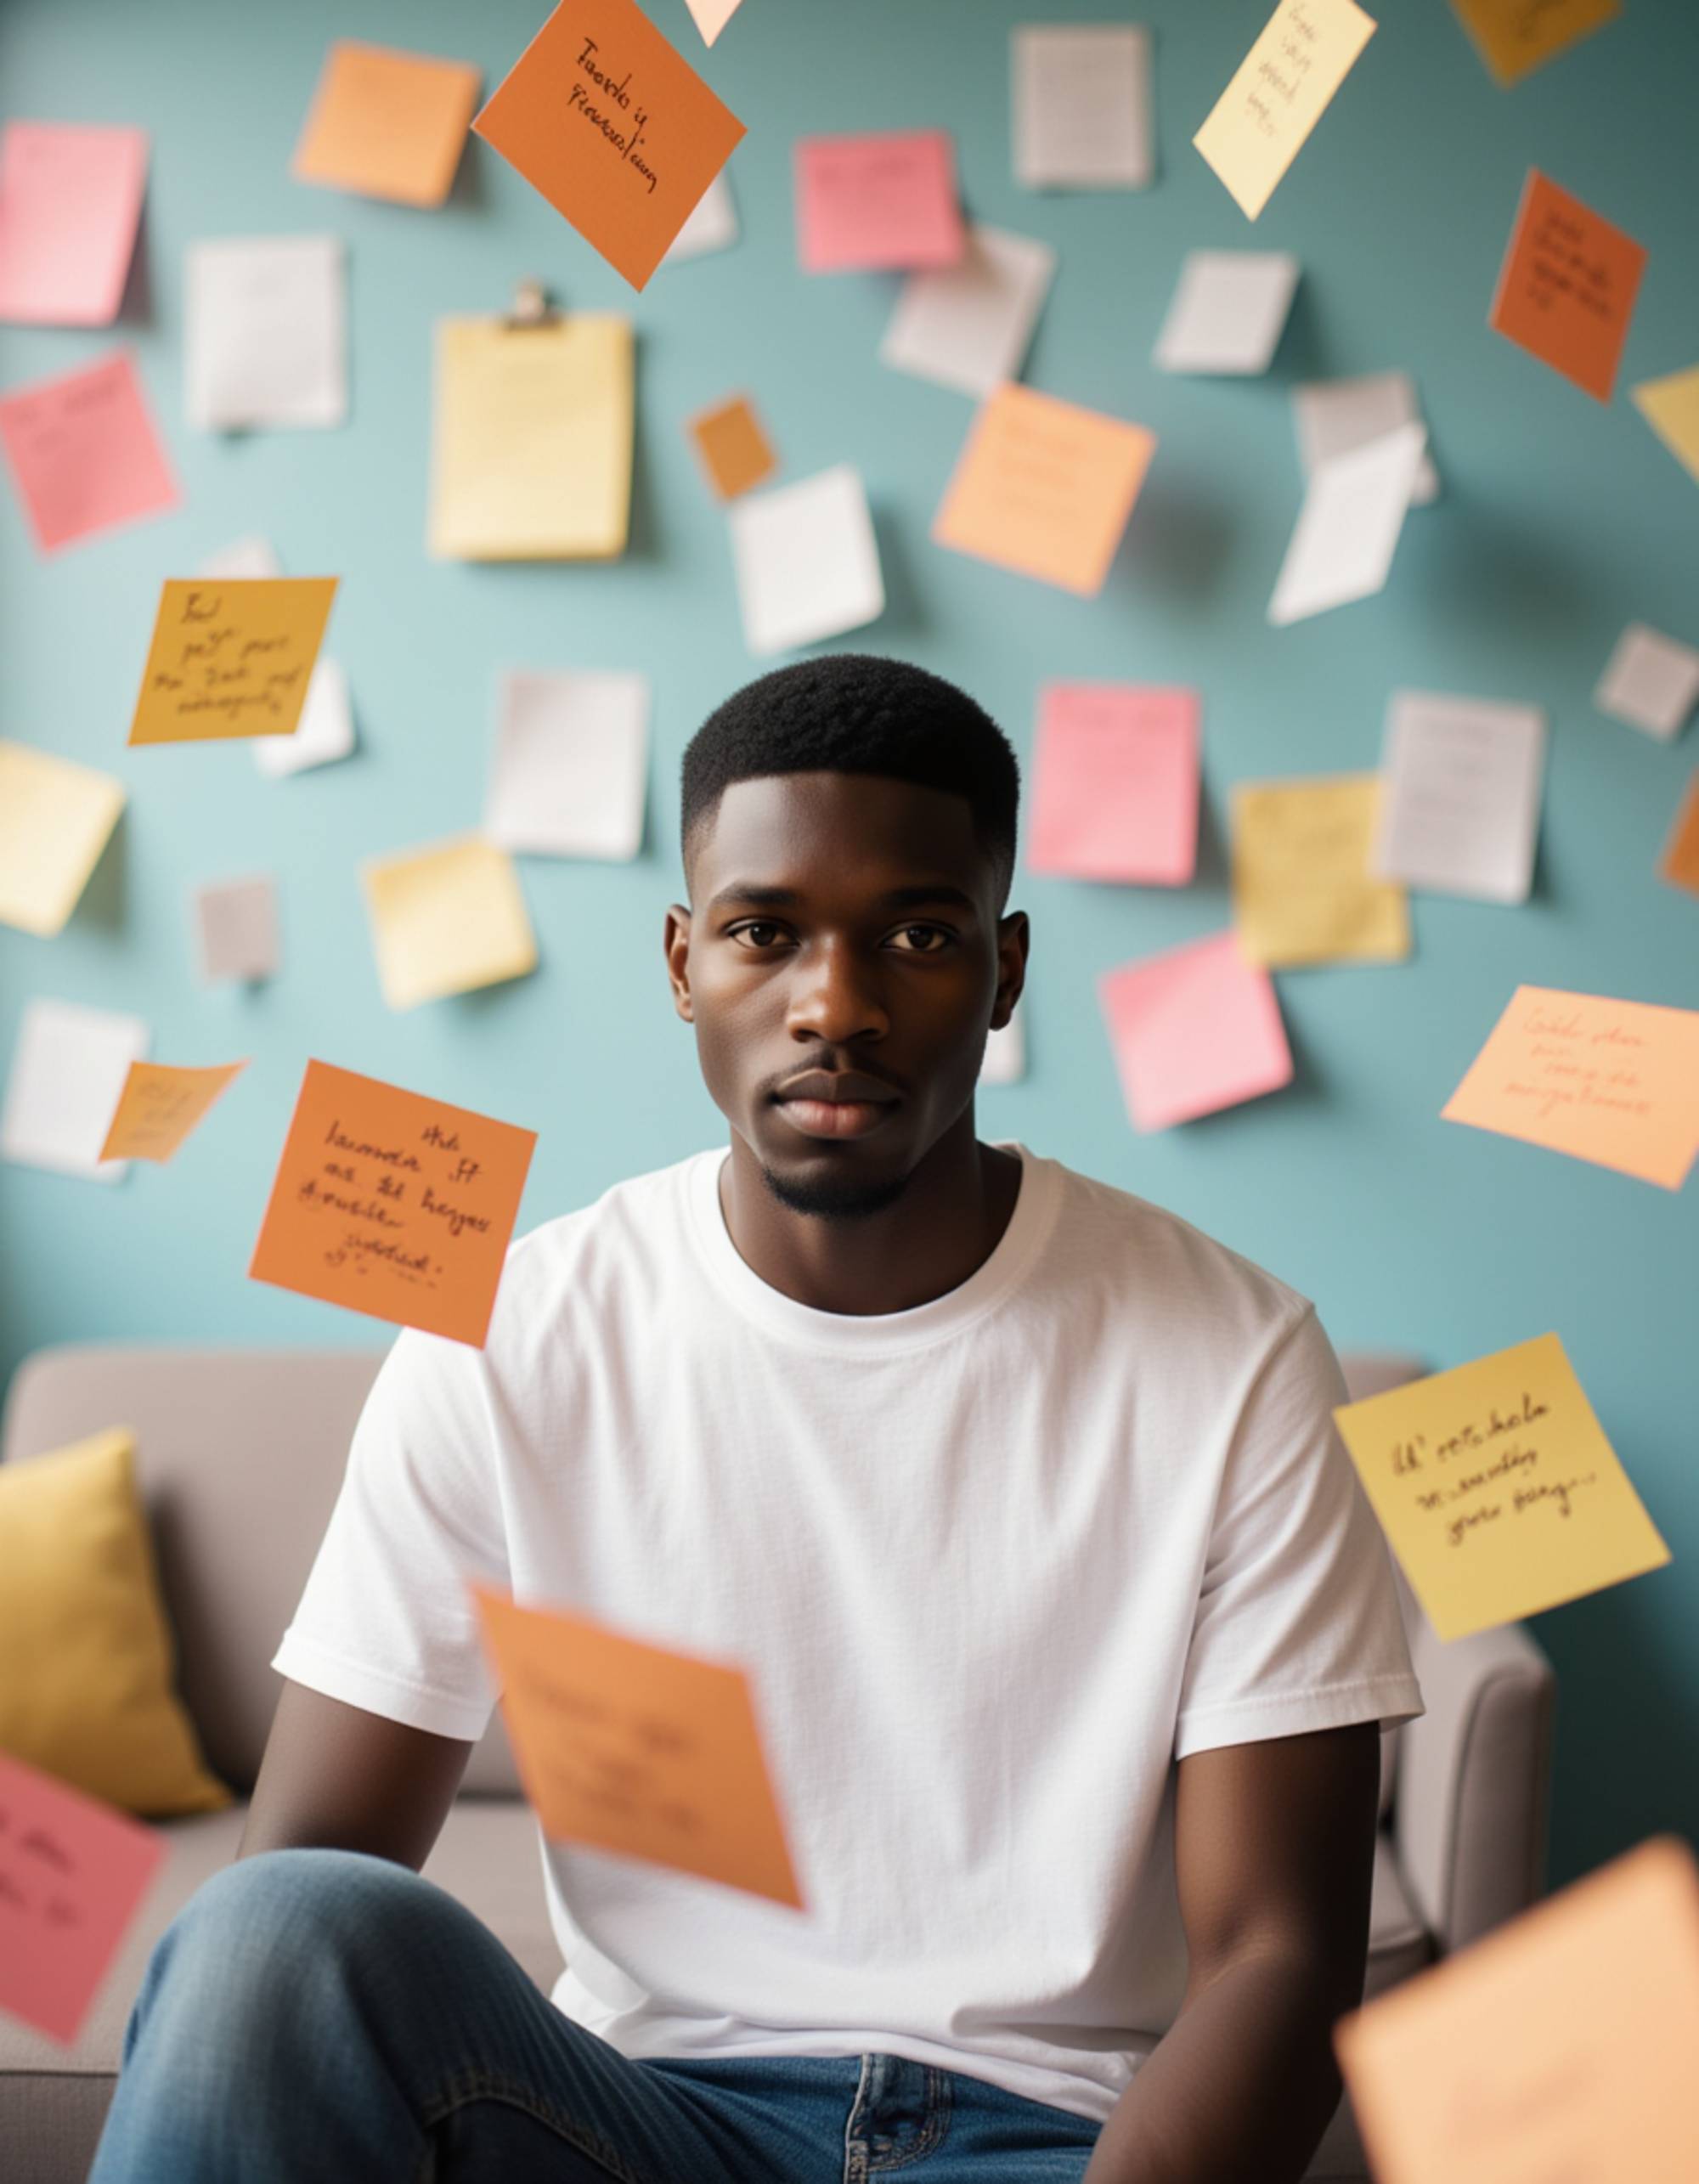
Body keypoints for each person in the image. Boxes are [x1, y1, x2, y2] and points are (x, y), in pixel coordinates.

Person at [89, 653, 1424, 2184]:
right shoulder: (509, 1337)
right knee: (270, 1931)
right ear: (682, 962)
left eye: (917, 936)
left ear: (1005, 972)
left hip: (1047, 2145)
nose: (835, 1007)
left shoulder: (1240, 1357)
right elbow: (304, 1891)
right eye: (763, 932)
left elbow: (1278, 1955)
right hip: (641, 2127)